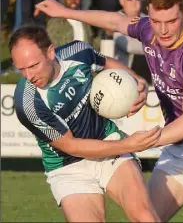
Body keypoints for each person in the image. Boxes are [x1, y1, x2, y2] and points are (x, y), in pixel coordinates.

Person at [35, 0, 183, 222]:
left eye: (171, 21)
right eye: (155, 20)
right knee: (145, 218)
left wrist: (140, 143)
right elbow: (113, 20)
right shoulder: (148, 29)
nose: (162, 30)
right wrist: (64, 11)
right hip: (179, 149)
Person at [9, 24, 161, 223]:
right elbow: (72, 146)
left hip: (107, 141)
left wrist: (137, 80)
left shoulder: (78, 52)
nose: (29, 76)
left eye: (33, 65)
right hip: (68, 167)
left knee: (145, 217)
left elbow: (105, 62)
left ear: (50, 52)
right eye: (21, 69)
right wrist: (129, 145)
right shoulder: (27, 103)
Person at [114, 0, 152, 84]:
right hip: (124, 79)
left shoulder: (149, 20)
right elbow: (128, 46)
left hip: (150, 79)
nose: (134, 2)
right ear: (122, 1)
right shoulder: (114, 19)